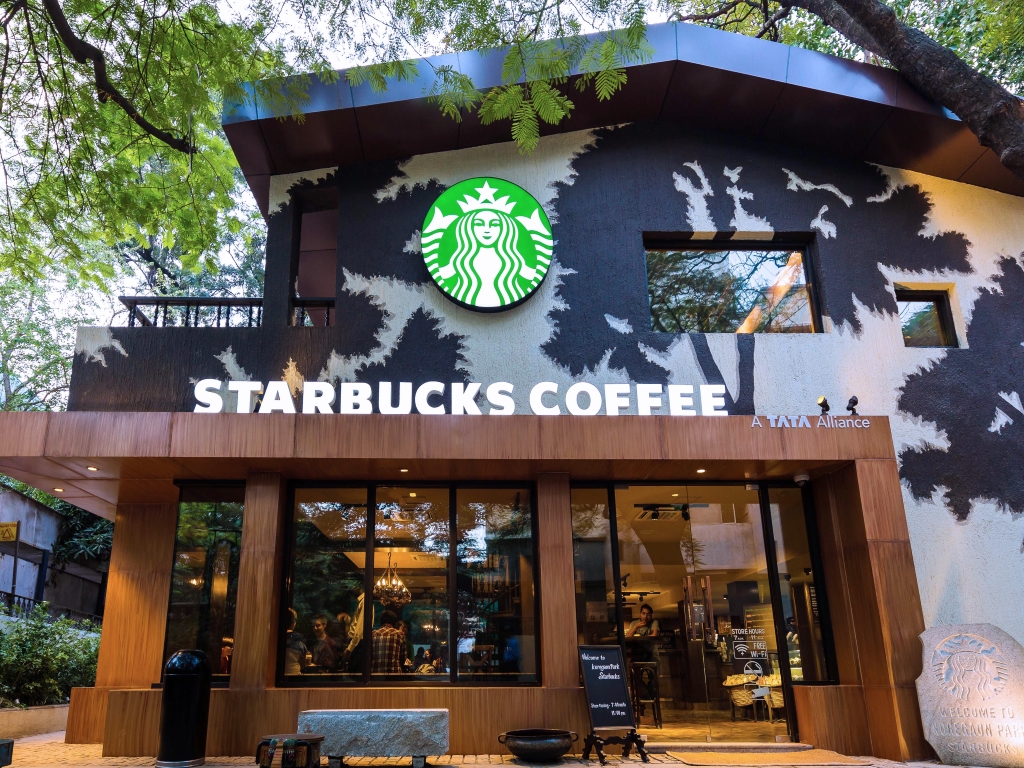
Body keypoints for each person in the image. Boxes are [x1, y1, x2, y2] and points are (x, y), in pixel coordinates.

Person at [371, 610, 406, 674]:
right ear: (394, 622)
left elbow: (368, 656)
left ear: (381, 621)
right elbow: (403, 657)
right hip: (394, 674)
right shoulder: (400, 634)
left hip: (376, 674)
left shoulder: (373, 634)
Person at [284, 608, 308, 676]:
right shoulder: (299, 644)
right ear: (294, 623)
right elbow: (302, 665)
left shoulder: (272, 639)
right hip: (294, 677)